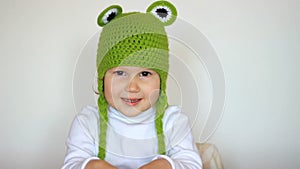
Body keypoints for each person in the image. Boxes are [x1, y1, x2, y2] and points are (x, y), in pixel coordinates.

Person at [62, 1, 202, 169]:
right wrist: (92, 165)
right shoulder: (88, 123)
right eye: (120, 73)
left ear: (161, 80)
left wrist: (166, 164)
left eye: (144, 74)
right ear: (102, 79)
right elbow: (72, 164)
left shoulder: (173, 122)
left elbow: (191, 163)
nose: (132, 87)